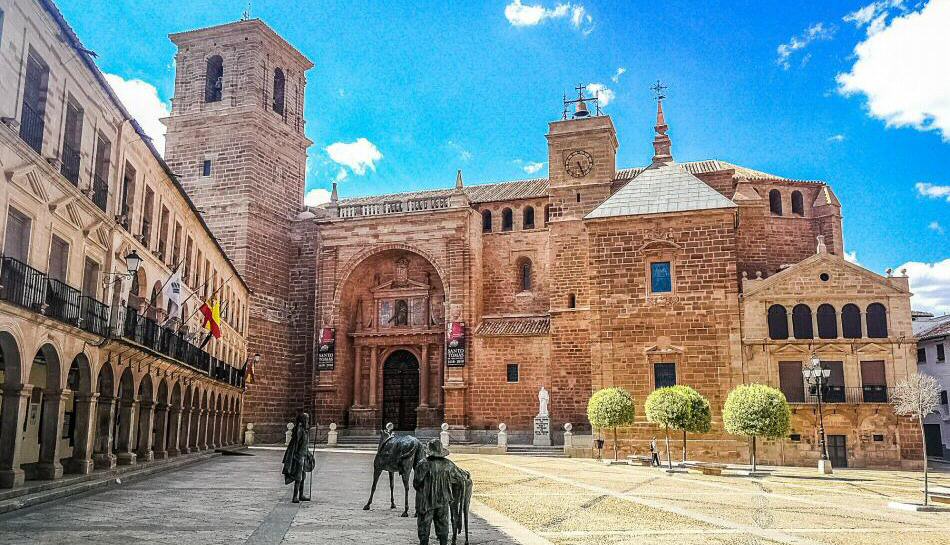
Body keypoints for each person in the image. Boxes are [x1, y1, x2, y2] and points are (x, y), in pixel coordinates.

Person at [413, 439, 454, 545]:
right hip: (443, 500)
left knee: (424, 525)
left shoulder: (423, 464)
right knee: (443, 524)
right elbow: (456, 478)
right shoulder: (448, 464)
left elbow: (416, 483)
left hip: (426, 501)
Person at [282, 412, 314, 503]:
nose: (308, 421)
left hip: (303, 455)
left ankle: (301, 495)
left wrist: (309, 454)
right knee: (298, 477)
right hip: (298, 457)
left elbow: (304, 446)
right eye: (306, 419)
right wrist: (295, 456)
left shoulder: (305, 431)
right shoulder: (299, 431)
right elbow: (295, 445)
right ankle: (295, 496)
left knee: (303, 476)